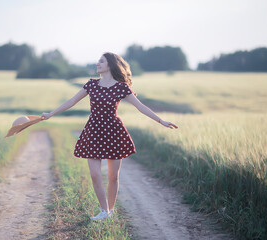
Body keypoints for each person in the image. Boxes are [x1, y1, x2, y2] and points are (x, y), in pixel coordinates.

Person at [41, 52, 178, 221]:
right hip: (94, 131)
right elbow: (71, 101)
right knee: (95, 174)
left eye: (101, 61)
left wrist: (160, 120)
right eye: (98, 61)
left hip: (114, 132)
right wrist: (51, 114)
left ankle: (110, 211)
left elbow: (140, 107)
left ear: (110, 65)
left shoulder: (121, 87)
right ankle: (104, 210)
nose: (97, 64)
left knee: (113, 176)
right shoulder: (91, 85)